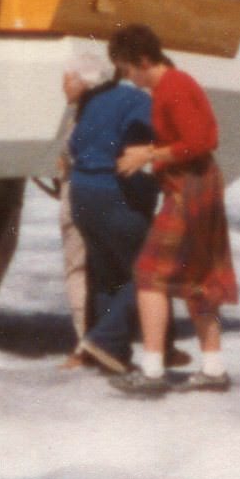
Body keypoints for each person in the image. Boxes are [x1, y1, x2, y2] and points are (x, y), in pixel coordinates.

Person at [110, 23, 239, 397]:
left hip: (190, 187)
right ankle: (213, 369)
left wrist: (150, 154)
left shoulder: (173, 87)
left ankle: (152, 372)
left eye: (127, 68)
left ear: (144, 60)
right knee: (200, 276)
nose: (127, 77)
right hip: (198, 185)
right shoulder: (174, 85)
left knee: (149, 273)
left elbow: (202, 140)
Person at [59, 44, 156, 375]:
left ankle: (112, 352)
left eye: (68, 77)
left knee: (106, 275)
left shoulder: (87, 107)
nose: (63, 84)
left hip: (82, 196)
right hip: (110, 193)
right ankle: (104, 339)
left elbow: (71, 149)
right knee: (148, 270)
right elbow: (154, 127)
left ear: (85, 79)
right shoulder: (132, 99)